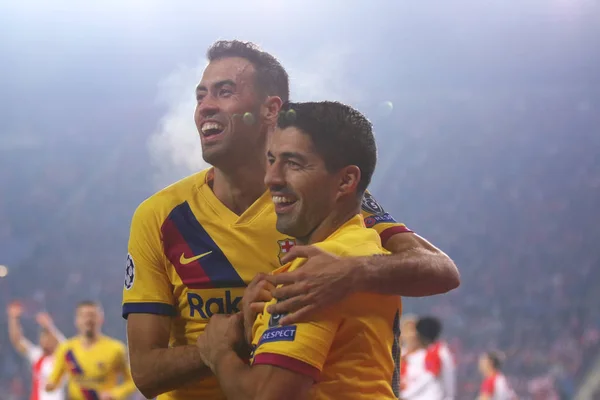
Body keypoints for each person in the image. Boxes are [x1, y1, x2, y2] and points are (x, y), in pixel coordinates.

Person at [123, 40, 459, 400]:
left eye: (224, 92)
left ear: (271, 109)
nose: (205, 106)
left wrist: (352, 273)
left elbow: (441, 269)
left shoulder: (322, 198)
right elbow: (145, 373)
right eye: (201, 95)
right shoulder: (159, 215)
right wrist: (227, 339)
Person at [197, 100, 401, 399]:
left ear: (346, 180)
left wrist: (218, 352)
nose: (272, 178)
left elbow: (266, 396)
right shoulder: (363, 246)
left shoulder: (321, 273)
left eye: (293, 163)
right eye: (271, 160)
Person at [45, 301, 136, 400]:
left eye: (92, 315)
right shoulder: (66, 349)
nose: (88, 320)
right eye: (83, 316)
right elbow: (54, 380)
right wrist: (49, 386)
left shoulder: (116, 349)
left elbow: (132, 381)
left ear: (101, 319)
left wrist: (114, 394)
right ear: (76, 320)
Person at [6, 302, 65, 400]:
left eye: (47, 336)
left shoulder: (61, 356)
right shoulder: (37, 355)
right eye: (42, 336)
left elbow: (64, 345)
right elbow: (17, 340)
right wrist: (13, 319)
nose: (45, 340)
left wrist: (49, 326)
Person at [400, 316, 455, 400]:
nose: (412, 334)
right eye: (408, 331)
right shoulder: (399, 356)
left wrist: (405, 395)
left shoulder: (435, 352)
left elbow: (430, 377)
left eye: (414, 330)